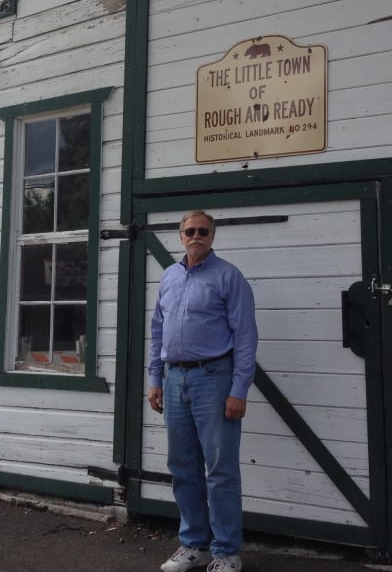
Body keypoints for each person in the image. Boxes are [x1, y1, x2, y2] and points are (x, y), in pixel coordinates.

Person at [148, 210, 258, 572]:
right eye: (190, 230)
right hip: (175, 378)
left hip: (214, 379)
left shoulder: (229, 277)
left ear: (212, 236)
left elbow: (245, 338)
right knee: (182, 466)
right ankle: (193, 545)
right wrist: (155, 379)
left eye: (203, 231)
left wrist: (239, 389)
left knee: (220, 469)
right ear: (180, 237)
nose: (196, 235)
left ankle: (227, 551)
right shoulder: (169, 277)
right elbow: (157, 333)